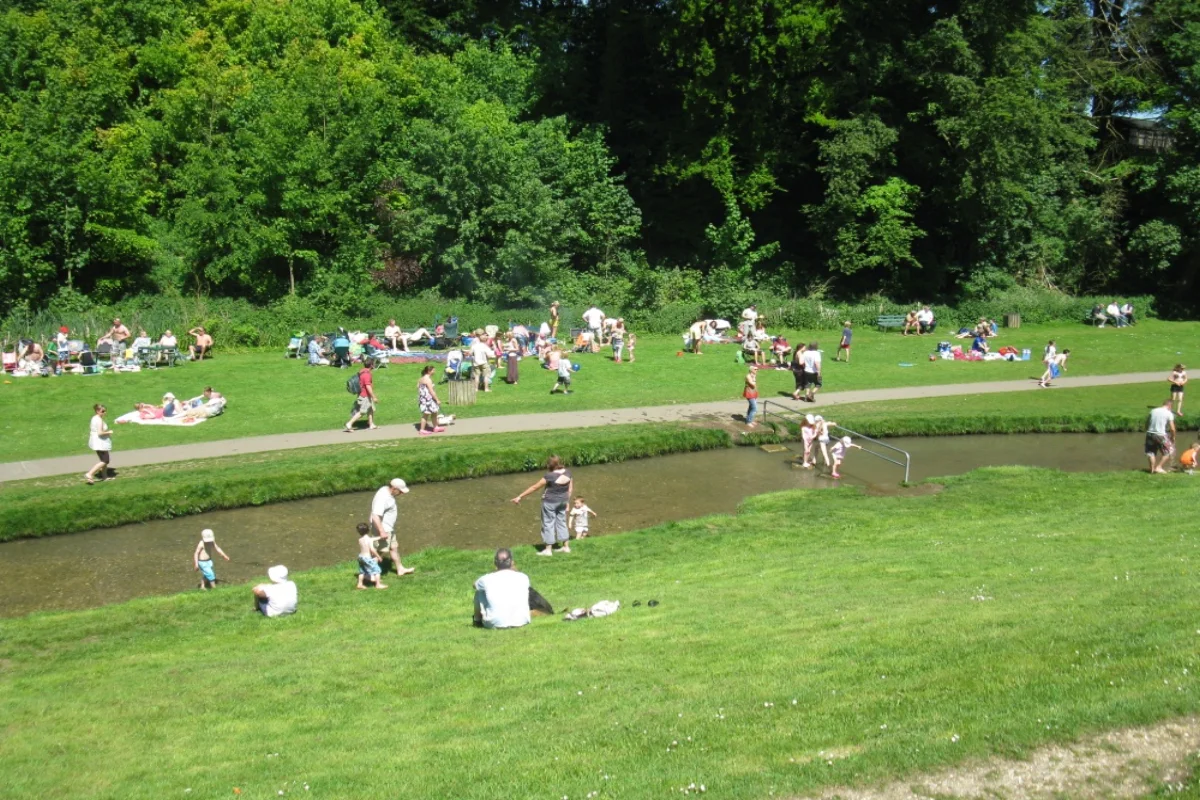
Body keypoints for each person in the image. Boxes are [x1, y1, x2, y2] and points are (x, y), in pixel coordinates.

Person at [512, 455, 573, 556]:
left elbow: (535, 487)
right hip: (563, 501)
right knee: (562, 522)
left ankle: (548, 550)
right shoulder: (568, 473)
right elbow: (570, 489)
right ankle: (566, 547)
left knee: (548, 524)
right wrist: (567, 501)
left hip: (550, 502)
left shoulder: (549, 476)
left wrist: (520, 496)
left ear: (550, 465)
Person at [473, 548, 532, 629]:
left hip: (495, 623)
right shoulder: (524, 577)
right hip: (522, 621)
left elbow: (475, 585)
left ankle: (477, 621)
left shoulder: (486, 579)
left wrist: (493, 572)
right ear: (512, 562)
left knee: (479, 591)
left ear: (495, 563)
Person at [371, 478, 416, 576]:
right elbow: (375, 516)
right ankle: (368, 574)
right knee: (379, 552)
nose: (401, 493)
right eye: (400, 491)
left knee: (394, 547)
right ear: (394, 488)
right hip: (383, 529)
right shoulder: (383, 498)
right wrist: (381, 531)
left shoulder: (386, 490)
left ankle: (400, 569)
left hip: (388, 528)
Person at [84, 404, 114, 484]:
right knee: (105, 460)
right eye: (102, 411)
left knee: (103, 460)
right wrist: (109, 432)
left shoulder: (94, 418)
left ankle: (104, 477)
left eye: (105, 411)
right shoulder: (99, 420)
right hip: (100, 442)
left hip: (97, 442)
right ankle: (89, 474)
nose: (104, 413)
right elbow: (100, 433)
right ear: (97, 411)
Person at [1146, 398, 1177, 475]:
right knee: (1169, 451)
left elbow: (1147, 423)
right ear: (1170, 406)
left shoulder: (1153, 411)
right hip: (1160, 434)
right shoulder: (1169, 413)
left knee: (1151, 452)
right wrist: (1173, 437)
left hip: (1150, 433)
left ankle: (1152, 470)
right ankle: (1159, 467)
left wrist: (1147, 430)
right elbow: (1172, 429)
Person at [344, 361, 378, 432]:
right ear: (371, 365)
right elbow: (368, 386)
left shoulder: (362, 372)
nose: (374, 365)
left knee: (370, 409)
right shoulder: (366, 374)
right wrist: (374, 397)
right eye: (373, 364)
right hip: (365, 396)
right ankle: (349, 424)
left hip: (364, 394)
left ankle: (371, 424)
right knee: (362, 411)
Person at [355, 522, 388, 590]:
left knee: (362, 571)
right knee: (377, 570)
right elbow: (372, 550)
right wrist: (378, 556)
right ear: (368, 530)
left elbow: (370, 540)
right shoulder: (369, 540)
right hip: (367, 558)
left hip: (360, 557)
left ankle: (360, 584)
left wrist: (380, 537)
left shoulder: (360, 539)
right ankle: (378, 584)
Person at [417, 365, 444, 436]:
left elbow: (418, 388)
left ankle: (436, 427)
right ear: (429, 371)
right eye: (433, 370)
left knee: (434, 412)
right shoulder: (428, 379)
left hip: (424, 399)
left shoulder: (420, 379)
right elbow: (431, 391)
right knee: (426, 414)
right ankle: (422, 430)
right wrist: (437, 399)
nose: (434, 372)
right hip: (428, 400)